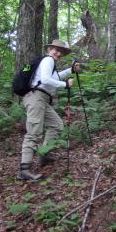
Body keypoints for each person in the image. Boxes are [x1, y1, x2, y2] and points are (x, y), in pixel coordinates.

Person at [17, 39, 80, 181]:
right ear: (49, 49)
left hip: (41, 99)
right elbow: (46, 80)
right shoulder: (48, 60)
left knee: (56, 125)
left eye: (61, 51)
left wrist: (70, 70)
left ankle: (44, 155)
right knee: (34, 132)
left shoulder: (48, 62)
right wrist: (65, 85)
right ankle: (24, 170)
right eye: (56, 50)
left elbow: (53, 77)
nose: (58, 53)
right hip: (36, 98)